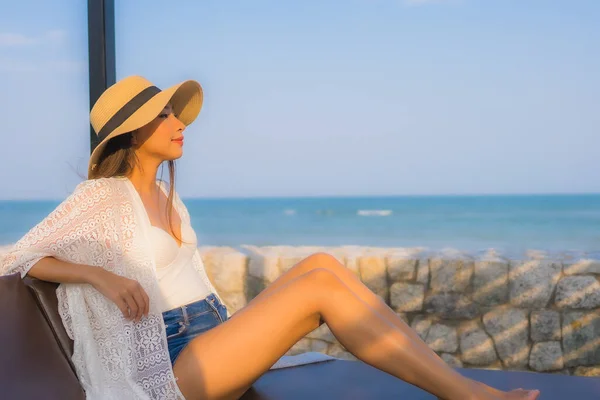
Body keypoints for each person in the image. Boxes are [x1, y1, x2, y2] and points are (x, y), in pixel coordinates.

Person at [0, 76, 540, 400]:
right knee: (318, 291)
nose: (177, 121)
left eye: (172, 111)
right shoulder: (102, 198)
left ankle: (452, 382)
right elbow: (17, 255)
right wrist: (98, 273)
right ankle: (466, 395)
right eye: (162, 114)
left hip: (210, 334)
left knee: (322, 263)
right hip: (171, 370)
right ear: (133, 132)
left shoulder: (169, 195)